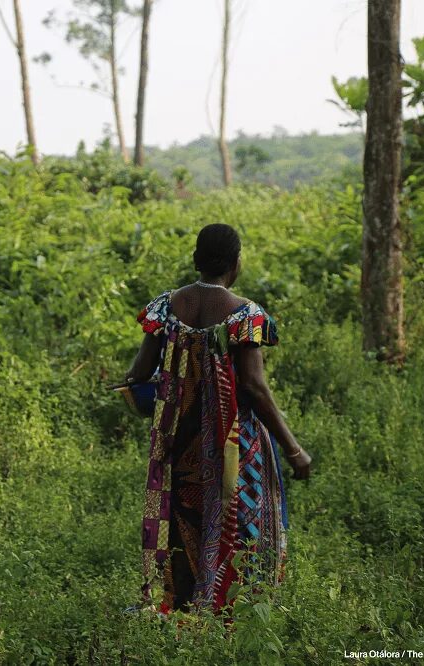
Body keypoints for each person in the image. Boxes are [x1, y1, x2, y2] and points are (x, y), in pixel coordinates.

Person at [124, 223, 312, 617]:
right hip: (234, 444)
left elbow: (139, 372)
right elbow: (255, 389)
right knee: (237, 520)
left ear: (196, 260)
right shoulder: (245, 315)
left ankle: (181, 606)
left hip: (178, 438)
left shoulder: (165, 306)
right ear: (235, 263)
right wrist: (294, 450)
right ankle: (232, 611)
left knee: (182, 518)